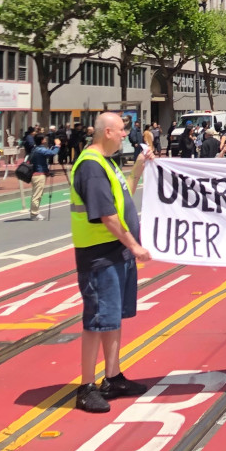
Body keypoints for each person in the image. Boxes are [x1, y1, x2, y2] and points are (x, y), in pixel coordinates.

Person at [70, 112, 153, 413]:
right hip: (99, 256)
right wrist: (134, 245)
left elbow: (123, 198)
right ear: (107, 132)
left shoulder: (107, 163)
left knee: (111, 318)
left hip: (114, 254)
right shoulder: (92, 166)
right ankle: (86, 387)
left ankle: (113, 377)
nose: (124, 135)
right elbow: (106, 215)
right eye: (121, 130)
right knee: (96, 320)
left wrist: (137, 171)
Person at [29, 133, 60, 218]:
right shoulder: (40, 150)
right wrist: (57, 145)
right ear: (41, 140)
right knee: (37, 195)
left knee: (36, 194)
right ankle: (34, 213)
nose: (46, 140)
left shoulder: (35, 149)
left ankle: (34, 211)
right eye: (44, 138)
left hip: (36, 174)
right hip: (39, 175)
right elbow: (52, 153)